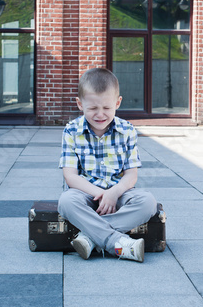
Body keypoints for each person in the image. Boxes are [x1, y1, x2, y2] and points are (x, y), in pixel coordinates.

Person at [57, 68, 157, 262]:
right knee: (66, 202)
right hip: (85, 192)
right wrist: (100, 194)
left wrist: (114, 192)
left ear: (117, 103)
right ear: (80, 104)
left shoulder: (127, 130)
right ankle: (115, 241)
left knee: (147, 202)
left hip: (119, 192)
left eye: (107, 108)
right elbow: (70, 176)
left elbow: (131, 175)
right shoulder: (71, 131)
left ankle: (91, 237)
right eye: (93, 108)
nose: (100, 114)